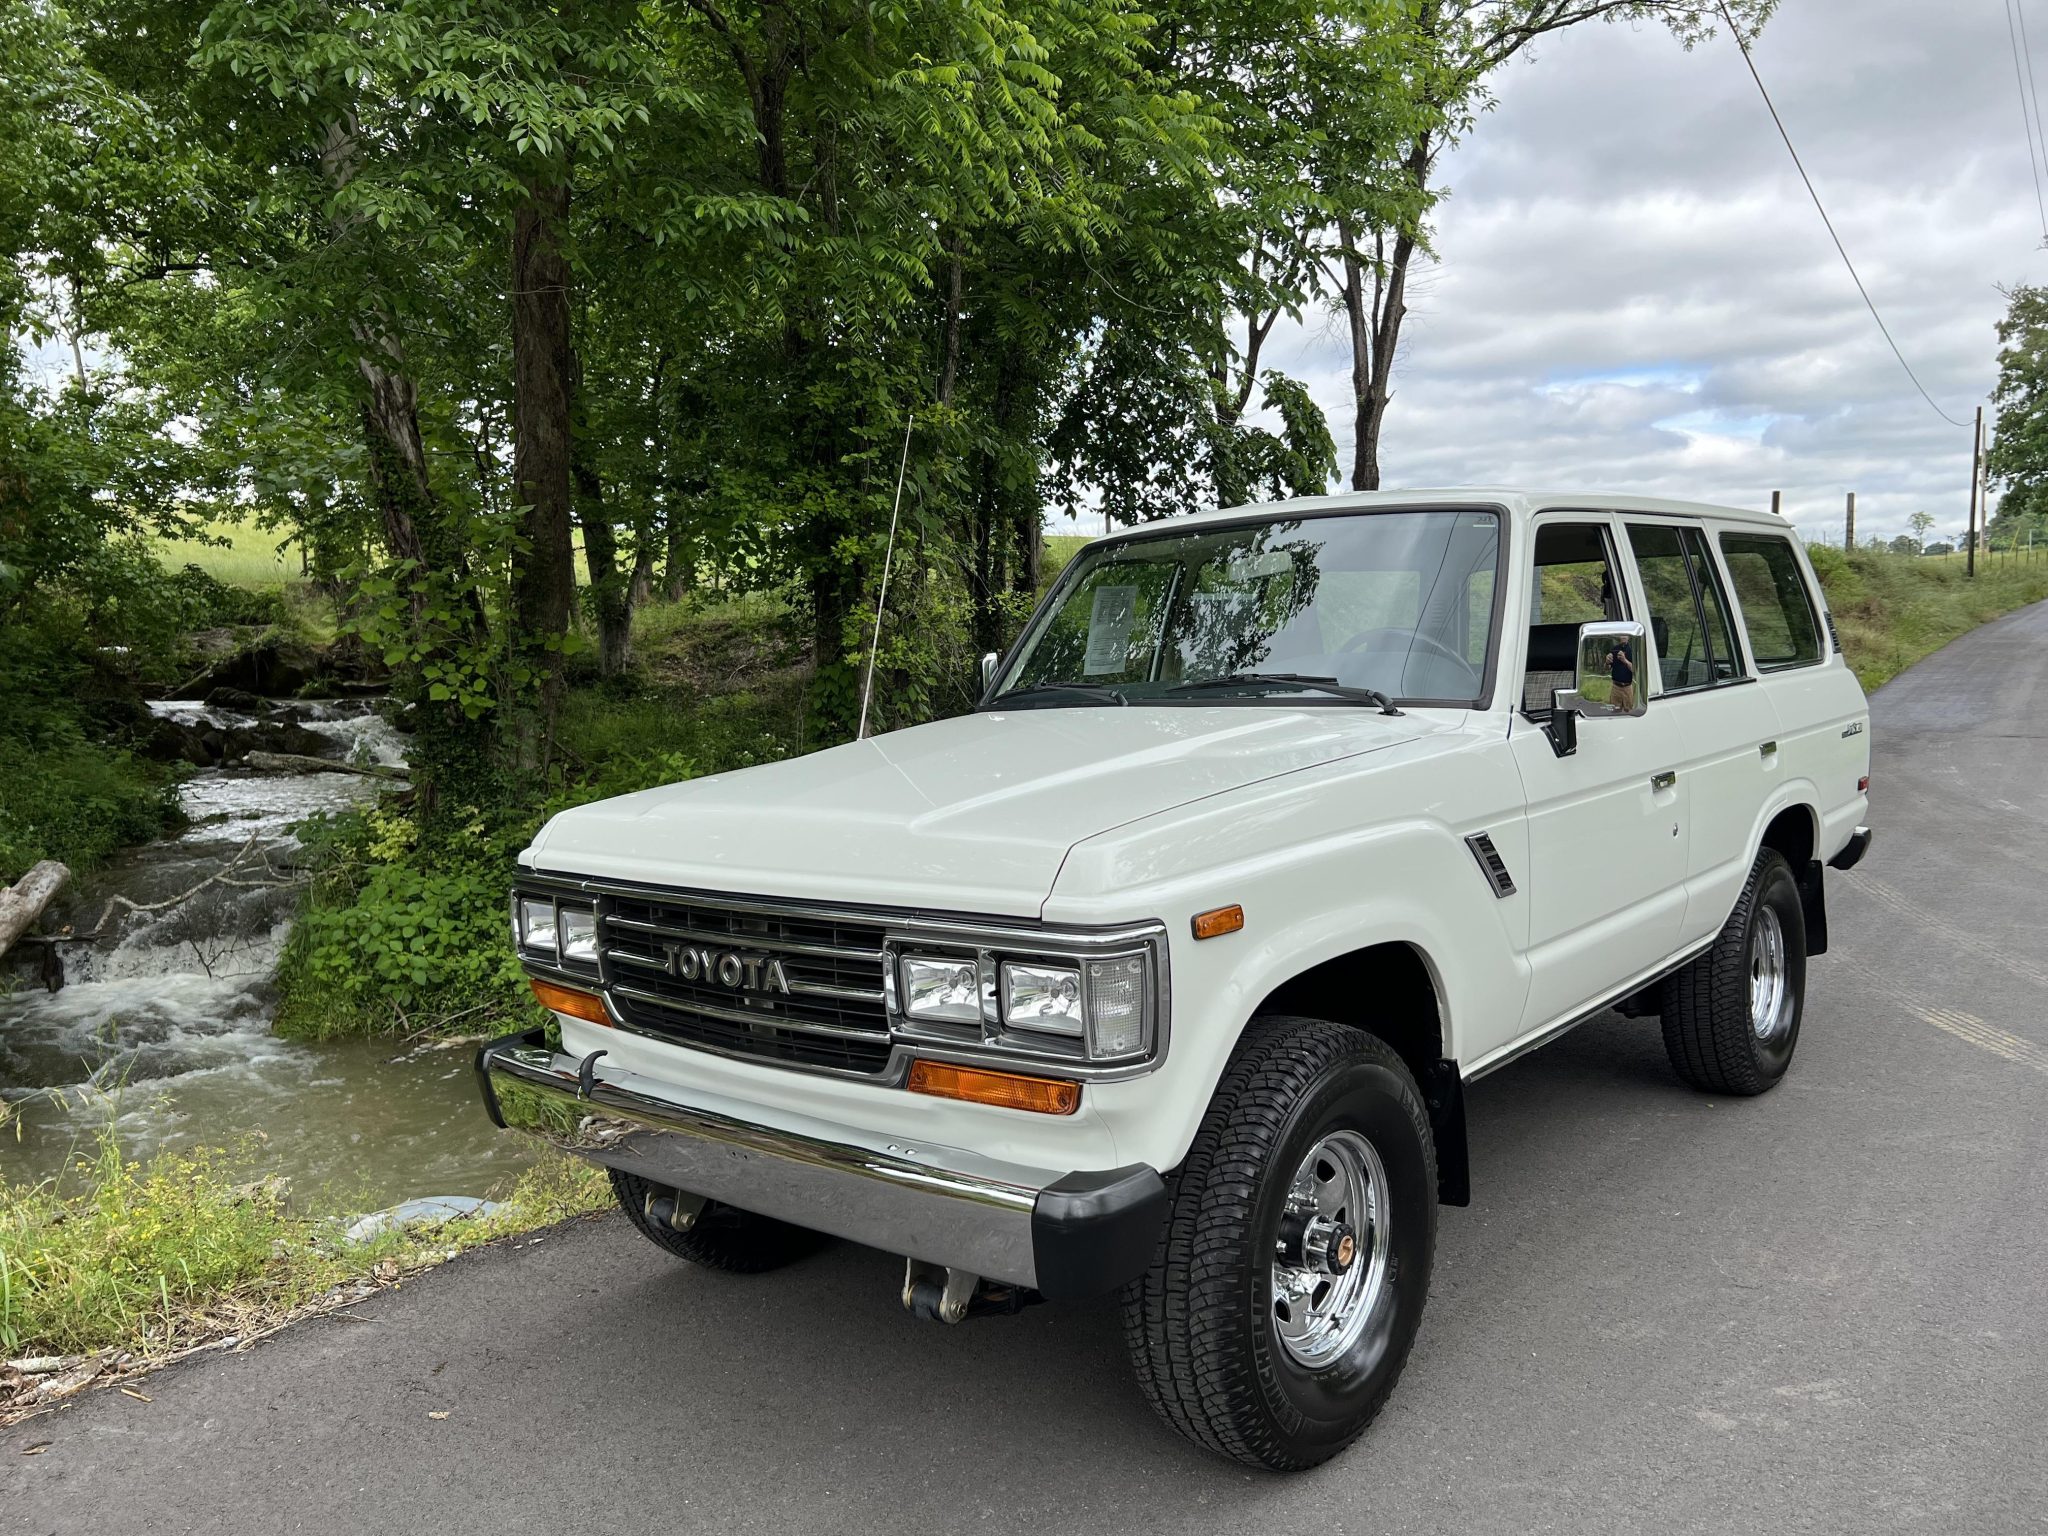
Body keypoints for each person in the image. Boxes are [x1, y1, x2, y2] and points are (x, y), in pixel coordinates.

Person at [1607, 638, 1636, 713]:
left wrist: (1624, 660)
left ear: (1628, 637)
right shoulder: (1614, 649)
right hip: (1616, 688)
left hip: (1628, 688)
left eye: (1625, 634)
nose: (1623, 636)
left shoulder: (1633, 650)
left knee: (1629, 713)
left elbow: (1635, 670)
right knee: (1614, 713)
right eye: (1621, 634)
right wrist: (1607, 662)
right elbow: (1607, 668)